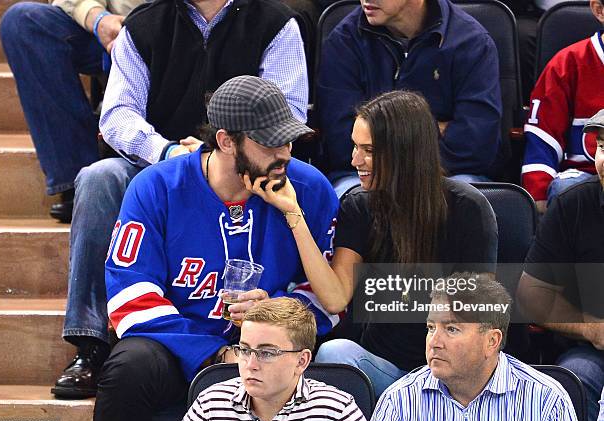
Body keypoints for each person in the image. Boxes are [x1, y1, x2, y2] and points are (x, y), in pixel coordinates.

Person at [50, 0, 310, 399]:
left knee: (311, 182)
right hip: (160, 161)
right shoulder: (144, 23)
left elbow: (286, 113)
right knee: (99, 177)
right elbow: (118, 114)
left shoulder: (276, 22)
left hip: (243, 157)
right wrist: (171, 154)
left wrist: (217, 154)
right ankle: (91, 344)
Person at [92, 75, 338, 421]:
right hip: (179, 349)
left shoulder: (308, 188)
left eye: (287, 139)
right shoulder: (156, 187)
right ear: (225, 141)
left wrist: (277, 310)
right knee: (129, 366)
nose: (284, 153)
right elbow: (131, 296)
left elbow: (331, 295)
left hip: (277, 353)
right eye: (269, 143)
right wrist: (213, 354)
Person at [247, 90, 498, 397]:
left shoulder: (468, 209)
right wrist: (294, 214)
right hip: (384, 370)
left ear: (405, 152)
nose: (354, 160)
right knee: (335, 354)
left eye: (368, 150)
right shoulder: (358, 207)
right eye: (354, 146)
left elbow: (478, 316)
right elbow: (335, 298)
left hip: (451, 373)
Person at [316, 0, 503, 196]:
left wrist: (380, 140)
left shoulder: (472, 42)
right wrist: (427, 132)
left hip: (449, 173)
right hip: (361, 174)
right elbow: (341, 140)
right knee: (349, 198)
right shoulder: (344, 40)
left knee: (466, 197)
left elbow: (476, 144)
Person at [366, 273, 582, 421]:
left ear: (492, 341)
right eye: (431, 328)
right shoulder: (398, 402)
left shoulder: (546, 401)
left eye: (452, 329)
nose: (434, 342)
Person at [0, 0, 144, 223]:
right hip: (117, 30)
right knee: (23, 22)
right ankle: (80, 183)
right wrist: (98, 20)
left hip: (185, 28)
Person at [517, 108, 604, 421]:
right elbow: (531, 296)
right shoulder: (572, 206)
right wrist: (592, 329)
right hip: (591, 353)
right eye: (602, 147)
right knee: (574, 378)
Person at [173, 297, 368, 421]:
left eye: (266, 353)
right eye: (245, 350)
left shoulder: (338, 411)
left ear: (302, 361)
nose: (251, 365)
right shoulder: (210, 403)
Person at [521, 0, 604, 214]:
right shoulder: (566, 64)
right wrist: (538, 195)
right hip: (584, 177)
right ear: (599, 10)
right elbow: (542, 137)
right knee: (565, 189)